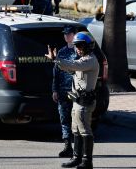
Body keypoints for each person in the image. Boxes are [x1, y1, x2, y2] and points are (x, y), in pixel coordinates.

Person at [46, 31, 99, 169]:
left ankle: (87, 161)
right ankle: (77, 157)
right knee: (75, 129)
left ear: (88, 46)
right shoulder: (82, 60)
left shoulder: (90, 60)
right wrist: (59, 63)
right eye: (77, 46)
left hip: (84, 102)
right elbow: (71, 68)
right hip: (77, 100)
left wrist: (56, 59)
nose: (78, 49)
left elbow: (73, 65)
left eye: (81, 46)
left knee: (85, 131)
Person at [52, 25, 78, 158]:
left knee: (78, 120)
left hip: (76, 91)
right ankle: (68, 146)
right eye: (65, 34)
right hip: (63, 91)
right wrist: (55, 90)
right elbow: (56, 72)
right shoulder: (61, 52)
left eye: (69, 34)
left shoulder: (79, 52)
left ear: (74, 34)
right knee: (64, 119)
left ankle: (80, 149)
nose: (66, 36)